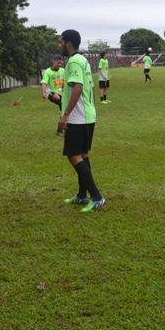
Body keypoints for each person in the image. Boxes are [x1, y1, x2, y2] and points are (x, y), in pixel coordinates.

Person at [57, 30, 105, 213]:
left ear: (68, 43)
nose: (59, 45)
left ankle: (97, 197)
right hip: (87, 115)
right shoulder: (82, 59)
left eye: (61, 42)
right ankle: (82, 195)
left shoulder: (75, 61)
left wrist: (65, 115)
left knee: (73, 155)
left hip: (79, 117)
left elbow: (77, 87)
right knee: (82, 155)